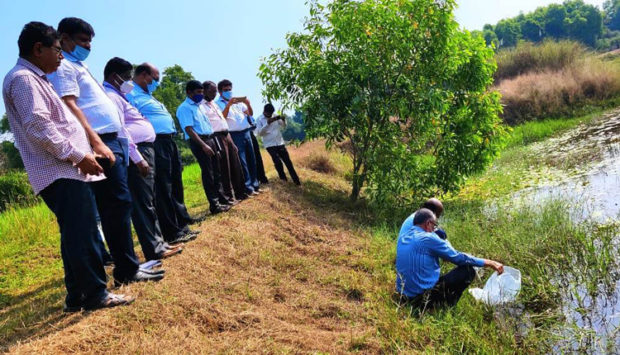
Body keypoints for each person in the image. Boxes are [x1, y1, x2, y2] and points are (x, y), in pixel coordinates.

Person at [3, 21, 134, 310]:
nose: (61, 57)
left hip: (63, 169)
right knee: (84, 232)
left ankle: (76, 296)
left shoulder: (35, 78)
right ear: (39, 49)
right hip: (58, 169)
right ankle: (95, 295)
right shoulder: (24, 79)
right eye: (57, 50)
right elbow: (39, 126)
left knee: (76, 232)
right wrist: (78, 155)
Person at [47, 17, 162, 286]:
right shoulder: (64, 67)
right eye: (82, 40)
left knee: (119, 205)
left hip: (113, 140)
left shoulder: (80, 66)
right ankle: (126, 269)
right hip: (100, 141)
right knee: (115, 205)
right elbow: (70, 105)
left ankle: (128, 265)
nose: (87, 45)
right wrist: (96, 141)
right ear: (63, 38)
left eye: (89, 41)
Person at [102, 57, 183, 260]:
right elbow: (121, 130)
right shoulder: (111, 97)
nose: (130, 82)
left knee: (149, 199)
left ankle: (159, 244)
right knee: (143, 202)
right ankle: (155, 248)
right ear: (115, 77)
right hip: (138, 150)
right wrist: (138, 157)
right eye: (127, 78)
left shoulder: (118, 95)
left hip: (145, 148)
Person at [126, 63, 198, 244]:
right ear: (143, 75)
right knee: (163, 187)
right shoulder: (131, 95)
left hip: (168, 142)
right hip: (154, 143)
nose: (157, 83)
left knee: (175, 184)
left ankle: (181, 224)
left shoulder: (149, 96)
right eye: (155, 79)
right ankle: (172, 232)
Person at [395, 208, 504, 309]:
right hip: (421, 299)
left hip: (403, 294)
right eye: (434, 225)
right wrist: (490, 262)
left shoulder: (404, 236)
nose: (434, 229)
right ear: (428, 223)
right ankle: (445, 306)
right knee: (467, 270)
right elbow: (459, 258)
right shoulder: (428, 238)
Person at [176, 80, 230, 214]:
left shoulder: (199, 106)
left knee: (217, 171)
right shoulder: (184, 108)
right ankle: (214, 204)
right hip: (200, 141)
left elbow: (208, 126)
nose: (201, 94)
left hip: (211, 138)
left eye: (201, 92)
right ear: (189, 92)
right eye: (198, 92)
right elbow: (189, 129)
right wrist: (204, 145)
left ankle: (221, 199)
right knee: (209, 173)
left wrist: (212, 143)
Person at [202, 81, 247, 203]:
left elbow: (223, 122)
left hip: (226, 134)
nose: (214, 93)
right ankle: (229, 196)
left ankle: (241, 193)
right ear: (204, 91)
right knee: (224, 167)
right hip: (216, 136)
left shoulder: (213, 105)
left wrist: (231, 142)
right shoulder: (201, 106)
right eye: (211, 91)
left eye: (215, 91)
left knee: (236, 165)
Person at [216, 79, 260, 196]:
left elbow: (250, 113)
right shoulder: (218, 104)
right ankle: (248, 187)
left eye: (230, 89)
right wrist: (229, 105)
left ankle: (255, 185)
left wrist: (248, 103)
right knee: (242, 161)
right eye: (225, 90)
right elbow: (222, 117)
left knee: (252, 159)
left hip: (246, 132)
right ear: (220, 92)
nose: (228, 92)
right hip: (234, 134)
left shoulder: (239, 102)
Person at [256, 103, 301, 185]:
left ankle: (297, 181)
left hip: (280, 142)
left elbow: (284, 126)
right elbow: (260, 133)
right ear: (264, 111)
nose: (270, 116)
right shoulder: (259, 119)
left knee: (288, 162)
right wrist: (267, 124)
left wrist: (283, 120)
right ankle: (283, 180)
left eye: (271, 114)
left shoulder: (275, 115)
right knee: (277, 162)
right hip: (269, 145)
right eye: (268, 114)